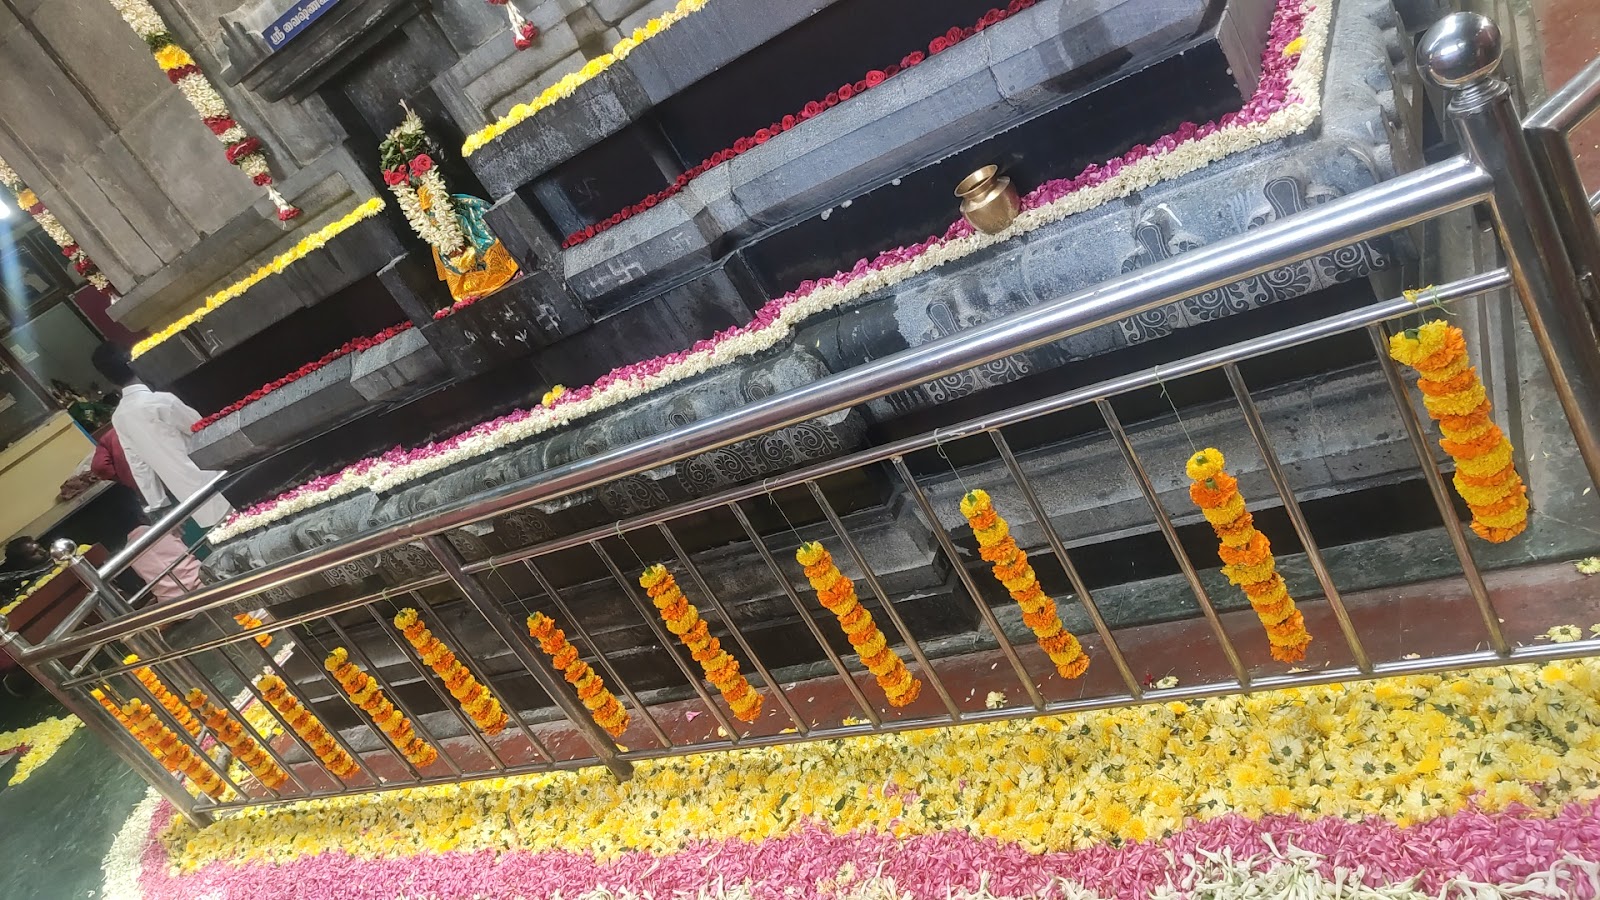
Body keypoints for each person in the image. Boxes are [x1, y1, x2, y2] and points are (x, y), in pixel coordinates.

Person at [90, 343, 232, 533]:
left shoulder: (120, 417)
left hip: (193, 500)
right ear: (134, 363)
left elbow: (138, 465)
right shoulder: (161, 401)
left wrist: (160, 506)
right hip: (222, 481)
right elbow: (207, 431)